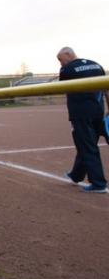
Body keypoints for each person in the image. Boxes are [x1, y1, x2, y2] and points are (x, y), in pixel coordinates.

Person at [57, 47, 109, 193]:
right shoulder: (96, 65)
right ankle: (76, 175)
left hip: (80, 114)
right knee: (86, 143)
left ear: (68, 54)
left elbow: (61, 88)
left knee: (87, 146)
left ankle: (98, 184)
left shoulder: (67, 69)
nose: (61, 63)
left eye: (60, 59)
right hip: (98, 112)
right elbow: (105, 88)